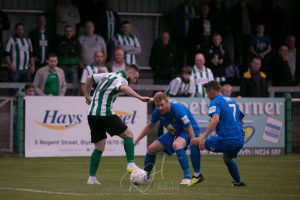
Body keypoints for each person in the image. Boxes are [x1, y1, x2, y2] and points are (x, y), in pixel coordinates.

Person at [84, 64, 150, 185]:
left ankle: (91, 178)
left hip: (92, 114)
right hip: (104, 113)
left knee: (99, 146)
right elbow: (124, 88)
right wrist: (140, 97)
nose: (134, 81)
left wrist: (87, 95)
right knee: (128, 134)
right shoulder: (121, 78)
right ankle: (131, 164)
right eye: (135, 78)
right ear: (129, 73)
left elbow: (89, 78)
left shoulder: (108, 75)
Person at [134, 92, 203, 185]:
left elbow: (188, 127)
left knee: (177, 145)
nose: (160, 108)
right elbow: (149, 126)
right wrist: (137, 140)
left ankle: (187, 177)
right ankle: (145, 177)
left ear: (167, 102)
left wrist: (192, 141)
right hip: (174, 132)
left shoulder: (178, 110)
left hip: (189, 130)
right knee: (151, 148)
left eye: (162, 105)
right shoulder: (157, 112)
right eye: (157, 105)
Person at [197, 80, 245, 186]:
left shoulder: (215, 101)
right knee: (227, 159)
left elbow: (215, 120)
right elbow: (241, 120)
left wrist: (203, 137)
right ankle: (238, 182)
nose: (207, 95)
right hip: (240, 139)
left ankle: (195, 176)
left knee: (194, 142)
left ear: (212, 91)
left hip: (227, 140)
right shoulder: (232, 101)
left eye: (207, 92)